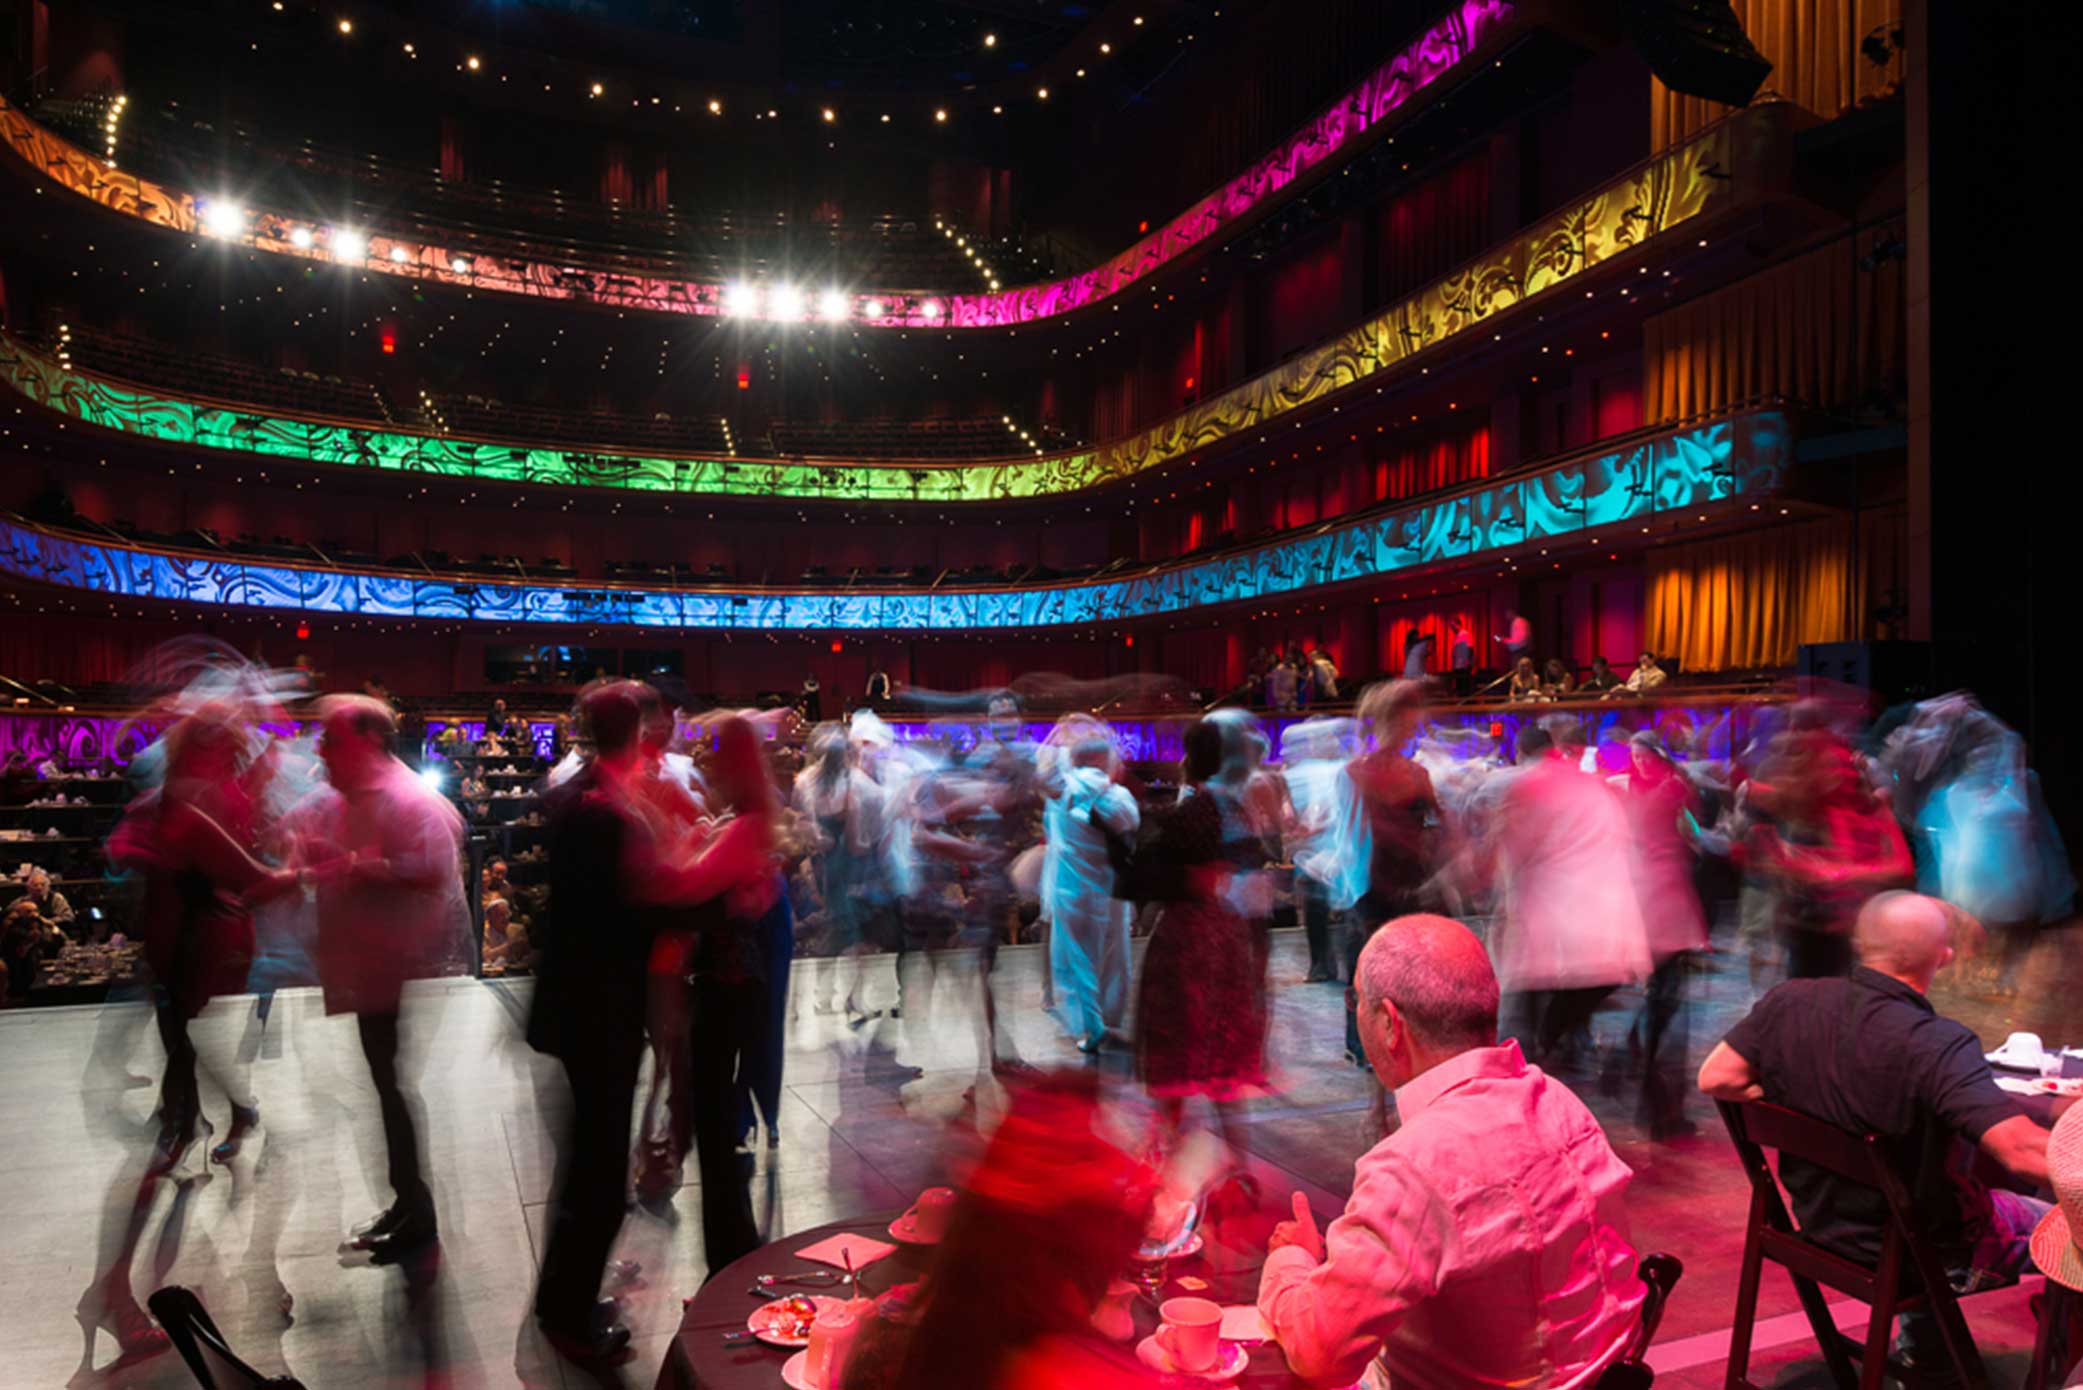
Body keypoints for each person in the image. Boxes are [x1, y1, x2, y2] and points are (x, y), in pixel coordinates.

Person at [1257, 915, 1646, 1389]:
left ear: (1388, 1023)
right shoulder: (1562, 1104)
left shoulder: (1414, 1165)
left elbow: (1319, 1351)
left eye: (1355, 1000)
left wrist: (1292, 1260)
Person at [1697, 891, 2051, 1364]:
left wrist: (1794, 1098)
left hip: (1821, 1228)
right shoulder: (1936, 1044)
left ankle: (1928, 1358)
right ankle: (2065, 1362)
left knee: (1926, 1188)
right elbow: (2022, 1153)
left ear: (1861, 944)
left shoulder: (1791, 1001)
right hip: (1919, 1254)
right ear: (1942, 957)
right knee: (2063, 1224)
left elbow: (1716, 1077)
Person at [298, 695, 469, 1259]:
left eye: (332, 738)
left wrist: (353, 865)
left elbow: (434, 867)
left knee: (391, 1087)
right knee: (385, 1085)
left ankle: (417, 1213)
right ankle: (408, 1202)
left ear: (368, 739)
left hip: (392, 967)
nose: (321, 748)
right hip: (373, 966)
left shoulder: (402, 796)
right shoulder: (361, 795)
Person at [1133, 720, 1263, 1158]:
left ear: (1190, 759)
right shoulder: (1237, 811)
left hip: (1188, 936)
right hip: (1226, 935)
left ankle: (1164, 1150)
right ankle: (1238, 1160)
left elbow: (1150, 877)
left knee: (1177, 1049)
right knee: (1220, 1052)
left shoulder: (1189, 813)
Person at [1489, 720, 1649, 1066]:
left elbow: (1515, 845)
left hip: (1554, 912)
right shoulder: (1587, 785)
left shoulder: (1529, 784)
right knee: (1569, 985)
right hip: (1599, 914)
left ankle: (1526, 1061)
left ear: (1520, 753)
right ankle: (1552, 1048)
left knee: (1525, 998)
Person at [1612, 731, 1709, 1138]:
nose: (1638, 763)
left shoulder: (1663, 790)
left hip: (1660, 908)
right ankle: (1659, 1108)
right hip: (1656, 909)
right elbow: (1698, 831)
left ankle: (1648, 1096)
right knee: (1665, 1009)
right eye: (1634, 756)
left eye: (1644, 756)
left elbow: (1698, 827)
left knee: (1661, 1005)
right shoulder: (1658, 792)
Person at [1342, 681, 1440, 1066]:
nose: (1410, 730)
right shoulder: (1357, 773)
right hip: (1373, 885)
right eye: (1404, 722)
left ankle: (1394, 1045)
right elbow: (1348, 836)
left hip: (1409, 884)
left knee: (1402, 974)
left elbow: (1437, 824)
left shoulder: (1417, 773)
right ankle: (1364, 1045)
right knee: (1369, 974)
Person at [1037, 727, 1139, 1054]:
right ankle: (1108, 1020)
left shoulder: (1059, 792)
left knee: (1076, 959)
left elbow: (1051, 828)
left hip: (1069, 889)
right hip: (1109, 889)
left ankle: (1088, 1026)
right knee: (1113, 955)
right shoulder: (1117, 795)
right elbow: (1131, 826)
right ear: (1102, 760)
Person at [9, 868, 77, 940]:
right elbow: (7, 914)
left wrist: (46, 921)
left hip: (52, 934)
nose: (39, 888)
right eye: (35, 885)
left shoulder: (56, 898)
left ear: (48, 887)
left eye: (43, 885)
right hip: (28, 936)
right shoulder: (23, 901)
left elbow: (69, 917)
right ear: (28, 888)